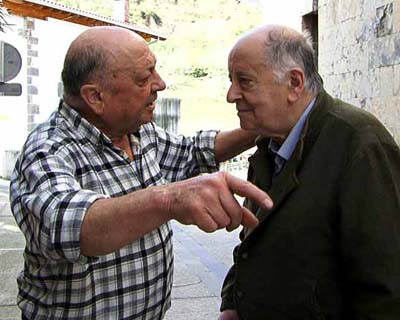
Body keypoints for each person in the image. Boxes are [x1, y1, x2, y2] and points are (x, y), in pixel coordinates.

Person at [9, 26, 273, 320]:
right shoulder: (48, 151)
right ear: (95, 96)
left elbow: (193, 151)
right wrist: (169, 200)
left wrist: (260, 126)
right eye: (144, 78)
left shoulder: (138, 132)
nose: (160, 84)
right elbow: (71, 226)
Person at [219, 24, 400, 320]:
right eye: (231, 80)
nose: (231, 95)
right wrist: (232, 304)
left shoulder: (361, 145)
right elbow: (251, 244)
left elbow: (385, 288)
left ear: (294, 83)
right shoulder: (268, 145)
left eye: (245, 81)